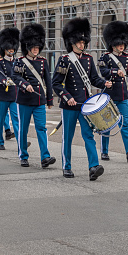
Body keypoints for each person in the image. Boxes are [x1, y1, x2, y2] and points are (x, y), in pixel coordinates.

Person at [52, 17, 112, 181]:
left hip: (85, 105)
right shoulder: (65, 60)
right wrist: (67, 97)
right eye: (78, 41)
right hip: (70, 104)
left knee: (88, 135)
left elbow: (94, 79)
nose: (82, 44)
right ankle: (67, 166)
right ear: (72, 42)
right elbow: (56, 84)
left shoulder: (88, 59)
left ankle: (93, 166)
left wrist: (104, 82)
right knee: (68, 137)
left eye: (83, 41)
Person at [13, 23, 56, 168]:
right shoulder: (20, 62)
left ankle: (45, 156)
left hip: (39, 100)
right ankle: (23, 155)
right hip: (25, 100)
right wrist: (25, 84)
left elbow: (48, 82)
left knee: (41, 128)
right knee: (23, 129)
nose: (36, 49)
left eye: (37, 47)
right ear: (28, 47)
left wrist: (49, 99)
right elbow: (15, 77)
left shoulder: (43, 62)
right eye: (33, 47)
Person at [98, 20, 128, 163]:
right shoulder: (105, 57)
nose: (121, 45)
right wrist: (115, 71)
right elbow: (103, 72)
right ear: (112, 43)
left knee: (125, 124)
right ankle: (104, 151)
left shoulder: (127, 57)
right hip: (109, 95)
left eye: (123, 42)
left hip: (122, 95)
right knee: (107, 124)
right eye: (118, 43)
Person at [0, 28, 21, 150]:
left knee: (16, 119)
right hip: (3, 94)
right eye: (9, 49)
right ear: (4, 49)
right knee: (1, 120)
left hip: (14, 94)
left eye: (13, 49)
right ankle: (0, 140)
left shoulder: (17, 62)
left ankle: (20, 141)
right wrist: (5, 81)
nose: (11, 51)